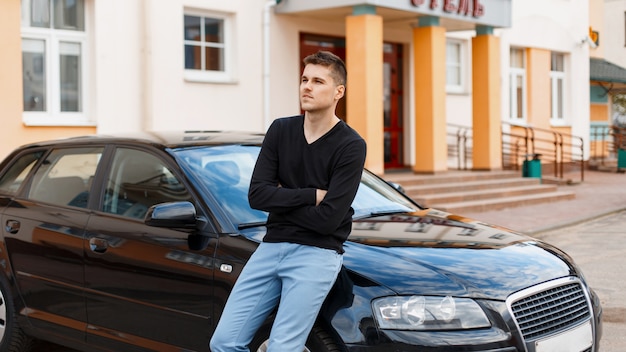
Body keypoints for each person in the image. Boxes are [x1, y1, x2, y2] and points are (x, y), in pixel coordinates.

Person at [209, 50, 367, 352]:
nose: (307, 86)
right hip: (271, 246)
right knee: (225, 342)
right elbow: (257, 195)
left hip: (317, 253)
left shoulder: (351, 145)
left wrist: (280, 200)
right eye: (304, 79)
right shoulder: (281, 130)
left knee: (283, 348)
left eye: (318, 81)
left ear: (338, 92)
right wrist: (311, 195)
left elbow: (329, 220)